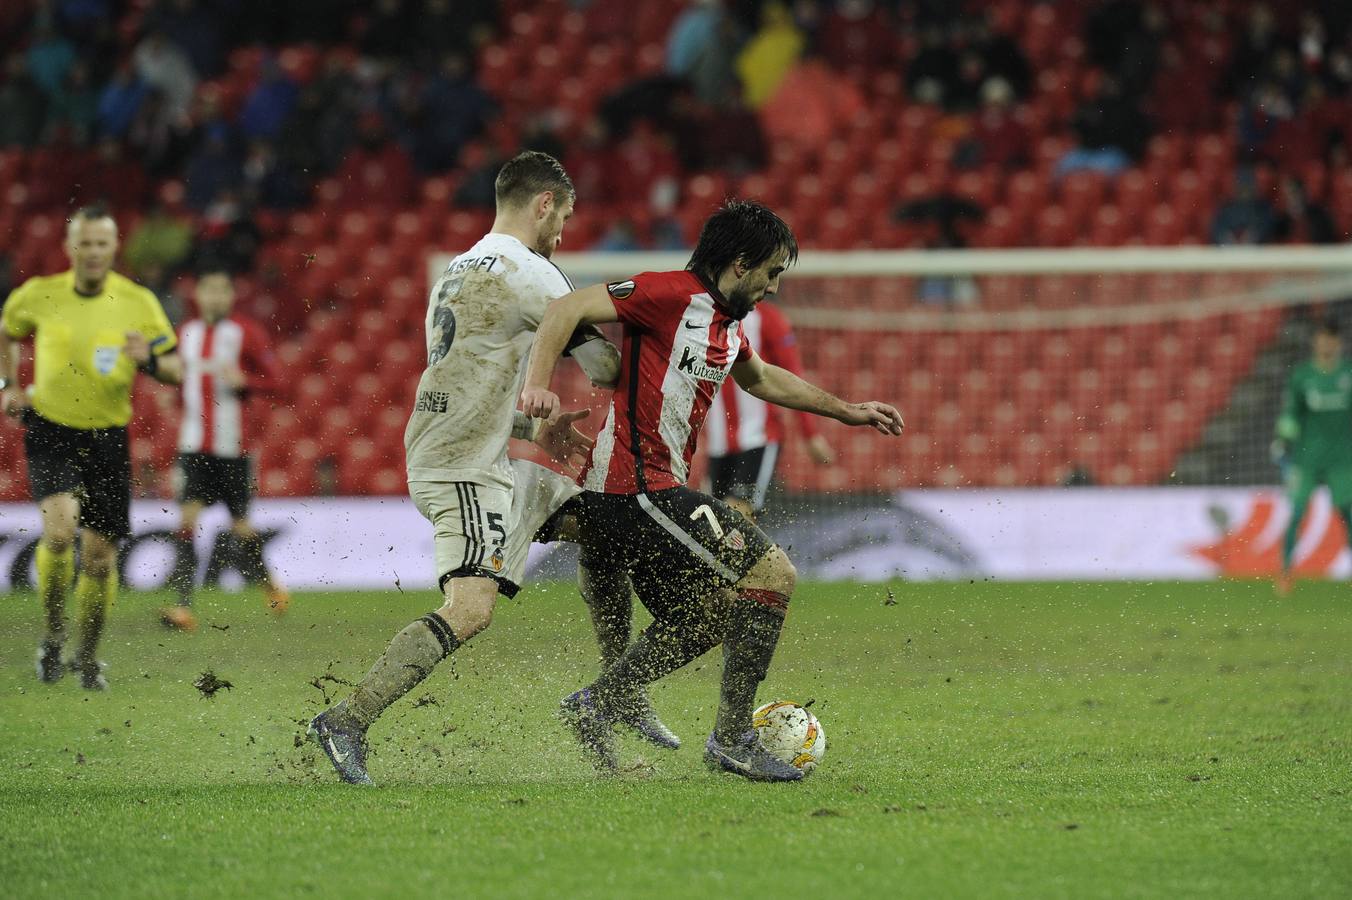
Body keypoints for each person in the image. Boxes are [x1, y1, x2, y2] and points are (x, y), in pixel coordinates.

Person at [521, 200, 904, 781]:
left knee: (716, 612)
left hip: (652, 490)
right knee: (773, 573)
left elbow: (764, 378)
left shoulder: (726, 325)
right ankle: (729, 741)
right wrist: (537, 387)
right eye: (773, 272)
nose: (775, 286)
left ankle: (601, 703)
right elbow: (566, 306)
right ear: (741, 264)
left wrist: (846, 411)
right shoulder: (667, 293)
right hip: (636, 488)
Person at [306, 151, 626, 785]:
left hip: (463, 448)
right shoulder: (535, 273)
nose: (562, 231)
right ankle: (347, 719)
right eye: (562, 215)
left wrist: (533, 428)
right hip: (464, 468)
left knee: (608, 526)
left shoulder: (454, 271)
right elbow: (606, 371)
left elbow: (465, 383)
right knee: (472, 608)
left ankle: (618, 694)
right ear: (543, 205)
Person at [0, 205, 182, 690]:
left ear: (114, 247)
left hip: (106, 438)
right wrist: (6, 384)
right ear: (71, 246)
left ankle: (86, 655)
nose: (94, 251)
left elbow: (175, 369)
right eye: (86, 242)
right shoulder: (38, 294)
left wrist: (148, 361)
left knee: (100, 559)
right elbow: (8, 330)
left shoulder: (138, 302)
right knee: (60, 534)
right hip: (51, 428)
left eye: (103, 243)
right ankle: (54, 636)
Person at [161, 266, 287, 631]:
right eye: (208, 290)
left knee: (242, 527)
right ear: (197, 295)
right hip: (193, 445)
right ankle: (182, 605)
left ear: (231, 296)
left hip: (233, 448)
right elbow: (172, 377)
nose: (214, 297)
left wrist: (246, 380)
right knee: (186, 521)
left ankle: (271, 587)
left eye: (221, 290)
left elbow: (278, 381)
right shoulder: (184, 333)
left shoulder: (247, 333)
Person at [705, 300, 834, 519]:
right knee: (717, 521)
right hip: (718, 443)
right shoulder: (704, 315)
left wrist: (810, 433)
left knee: (737, 515)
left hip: (758, 436)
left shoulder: (768, 318)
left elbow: (792, 375)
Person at [1272, 319, 1352, 596]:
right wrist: (1283, 440)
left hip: (1343, 459)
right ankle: (1285, 573)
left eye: (1331, 339)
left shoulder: (1348, 373)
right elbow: (1291, 413)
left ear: (1338, 343)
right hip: (1306, 458)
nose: (1326, 344)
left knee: (1348, 514)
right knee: (1295, 513)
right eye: (1321, 339)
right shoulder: (1303, 376)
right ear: (1315, 343)